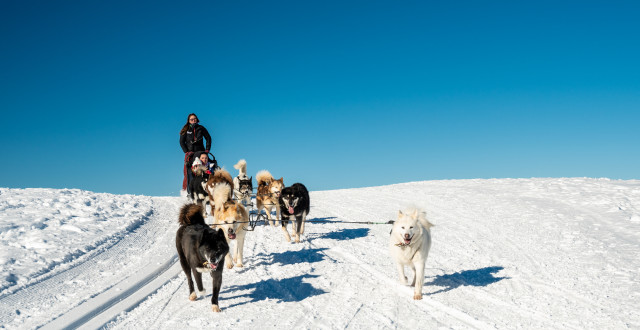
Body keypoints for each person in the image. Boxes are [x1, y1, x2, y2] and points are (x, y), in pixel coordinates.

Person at [180, 113, 212, 194]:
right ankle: (186, 191)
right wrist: (186, 151)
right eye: (191, 119)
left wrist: (207, 150)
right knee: (188, 171)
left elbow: (208, 138)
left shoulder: (201, 128)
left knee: (206, 169)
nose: (193, 120)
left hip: (201, 152)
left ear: (197, 120)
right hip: (190, 154)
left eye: (195, 119)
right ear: (188, 121)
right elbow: (181, 142)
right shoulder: (185, 129)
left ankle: (207, 189)